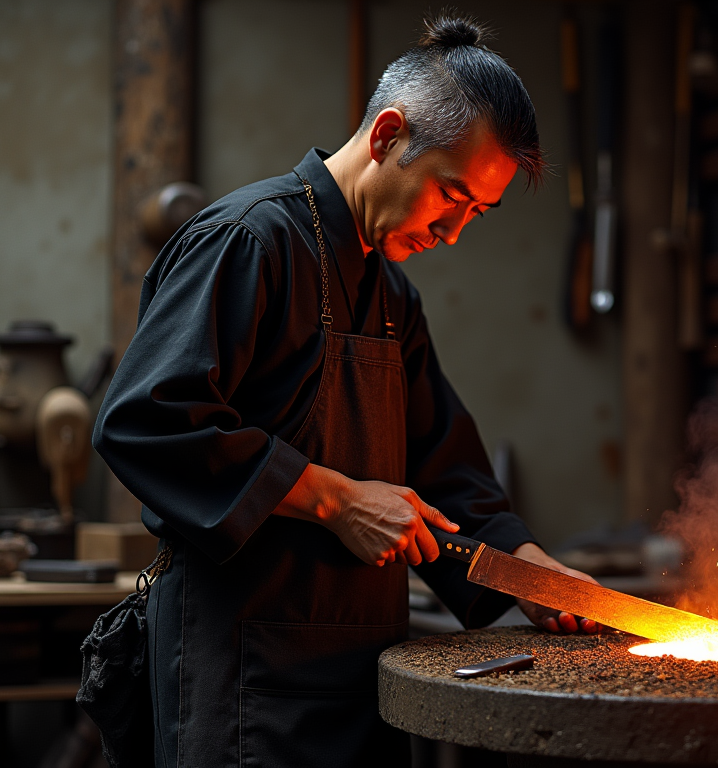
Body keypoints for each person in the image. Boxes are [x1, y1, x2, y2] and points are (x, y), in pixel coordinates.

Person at [93, 13, 599, 768]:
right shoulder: (249, 240)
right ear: (390, 135)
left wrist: (533, 572)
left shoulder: (391, 294)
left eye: (477, 215)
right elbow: (145, 421)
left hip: (360, 671)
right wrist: (338, 499)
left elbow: (443, 470)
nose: (453, 233)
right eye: (450, 197)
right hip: (244, 678)